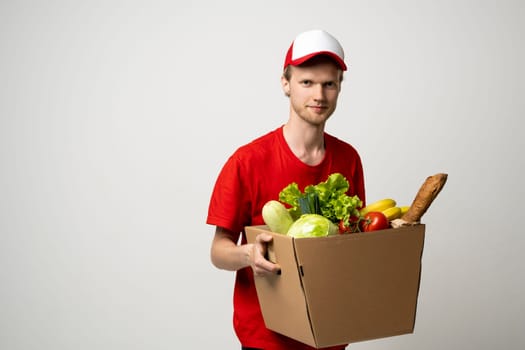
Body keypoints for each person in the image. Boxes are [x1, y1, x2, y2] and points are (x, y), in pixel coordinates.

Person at [207, 29, 366, 350]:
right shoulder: (247, 161)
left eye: (329, 83)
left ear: (339, 88)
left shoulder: (348, 158)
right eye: (307, 82)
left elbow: (353, 242)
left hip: (330, 335)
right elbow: (218, 251)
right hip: (267, 339)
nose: (319, 95)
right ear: (286, 84)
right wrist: (247, 254)